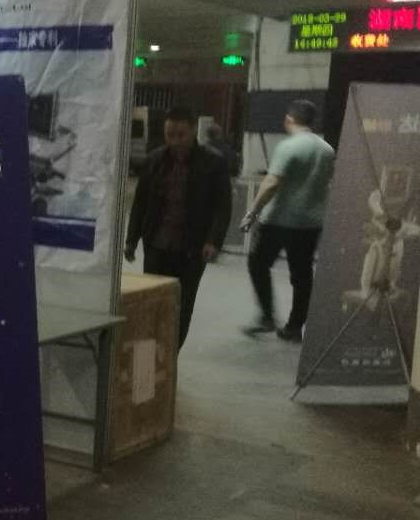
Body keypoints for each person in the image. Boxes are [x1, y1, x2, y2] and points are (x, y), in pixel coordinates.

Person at [125, 106, 232, 349]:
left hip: (192, 250)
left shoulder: (213, 163)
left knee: (181, 307)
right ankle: (150, 356)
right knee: (152, 302)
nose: (175, 141)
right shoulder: (154, 160)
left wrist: (213, 241)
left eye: (181, 135)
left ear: (194, 130)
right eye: (169, 135)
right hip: (156, 245)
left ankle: (170, 358)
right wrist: (132, 239)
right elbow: (140, 203)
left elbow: (222, 207)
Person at [240, 99, 335, 341]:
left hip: (279, 220)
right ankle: (294, 327)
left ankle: (267, 317)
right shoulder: (327, 150)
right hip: (311, 224)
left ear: (289, 119)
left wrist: (252, 212)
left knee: (257, 263)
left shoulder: (288, 146)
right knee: (302, 275)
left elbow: (272, 182)